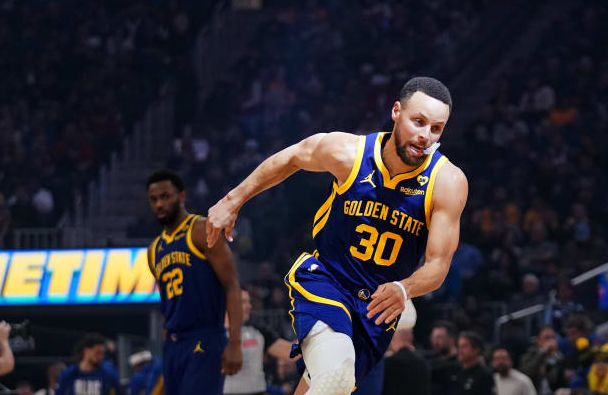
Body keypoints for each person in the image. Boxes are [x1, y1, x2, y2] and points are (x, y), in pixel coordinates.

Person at [207, 77, 468, 395]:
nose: (425, 135)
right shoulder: (349, 153)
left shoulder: (447, 182)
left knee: (325, 386)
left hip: (377, 308)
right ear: (396, 111)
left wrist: (405, 287)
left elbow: (438, 265)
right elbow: (293, 157)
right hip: (328, 281)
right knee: (337, 374)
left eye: (436, 129)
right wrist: (233, 200)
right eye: (419, 122)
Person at [146, 170, 243, 395]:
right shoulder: (154, 251)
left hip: (205, 337)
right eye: (153, 200)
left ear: (181, 196)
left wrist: (234, 342)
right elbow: (168, 306)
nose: (159, 204)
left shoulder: (201, 230)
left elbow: (232, 285)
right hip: (173, 345)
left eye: (165, 196)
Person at [224, 289, 293, 395]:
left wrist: (312, 336)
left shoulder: (258, 330)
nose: (249, 306)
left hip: (257, 391)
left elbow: (289, 352)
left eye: (249, 302)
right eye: (243, 302)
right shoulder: (210, 334)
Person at [55, 333, 121, 395]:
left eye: (103, 353)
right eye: (98, 353)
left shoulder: (109, 375)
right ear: (86, 351)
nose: (101, 357)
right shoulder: (69, 374)